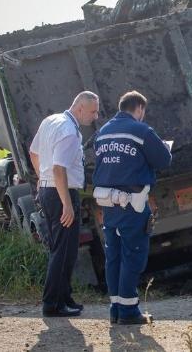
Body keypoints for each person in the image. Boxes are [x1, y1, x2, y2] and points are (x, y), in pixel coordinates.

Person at [92, 91, 172, 325]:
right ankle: (128, 311)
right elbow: (163, 160)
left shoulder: (103, 132)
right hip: (133, 205)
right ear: (139, 108)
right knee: (133, 256)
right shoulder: (142, 131)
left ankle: (116, 309)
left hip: (109, 205)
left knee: (113, 258)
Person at [29, 91, 100, 317]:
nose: (95, 116)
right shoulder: (69, 132)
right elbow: (59, 169)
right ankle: (52, 304)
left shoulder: (51, 120)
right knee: (63, 251)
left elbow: (33, 152)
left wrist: (41, 177)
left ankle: (64, 298)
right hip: (62, 193)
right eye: (93, 111)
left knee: (64, 249)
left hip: (50, 190)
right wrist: (67, 204)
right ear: (79, 108)